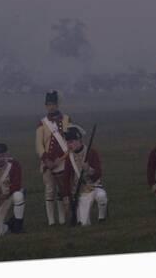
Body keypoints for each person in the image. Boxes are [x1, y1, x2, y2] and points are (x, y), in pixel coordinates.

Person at [35, 90, 71, 226]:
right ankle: (51, 220)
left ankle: (62, 219)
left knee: (62, 190)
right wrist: (47, 160)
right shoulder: (42, 123)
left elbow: (70, 141)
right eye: (49, 104)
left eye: (53, 104)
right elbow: (39, 145)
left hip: (63, 160)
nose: (51, 107)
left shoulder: (67, 119)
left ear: (57, 104)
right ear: (46, 106)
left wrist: (61, 159)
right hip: (47, 162)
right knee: (50, 190)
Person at [63, 124, 108, 226]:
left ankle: (102, 218)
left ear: (79, 140)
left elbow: (98, 174)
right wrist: (66, 196)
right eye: (67, 142)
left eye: (71, 142)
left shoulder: (91, 153)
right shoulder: (69, 158)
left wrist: (89, 169)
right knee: (83, 224)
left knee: (101, 196)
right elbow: (66, 178)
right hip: (82, 192)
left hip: (94, 186)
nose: (69, 145)